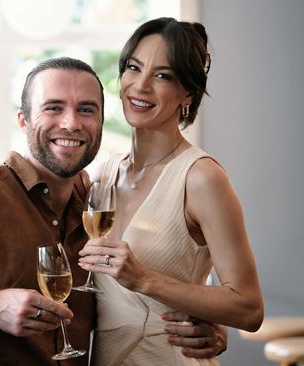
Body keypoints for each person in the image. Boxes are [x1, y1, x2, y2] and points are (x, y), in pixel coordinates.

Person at [0, 56, 227, 365]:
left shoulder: (98, 209)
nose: (71, 123)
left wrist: (201, 321)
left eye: (86, 110)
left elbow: (148, 282)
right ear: (23, 120)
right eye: (53, 107)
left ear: (99, 124)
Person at [77, 17, 263, 365]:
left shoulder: (201, 178)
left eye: (162, 75)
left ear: (187, 93)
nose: (141, 85)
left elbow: (249, 307)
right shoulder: (104, 174)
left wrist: (145, 279)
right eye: (134, 68)